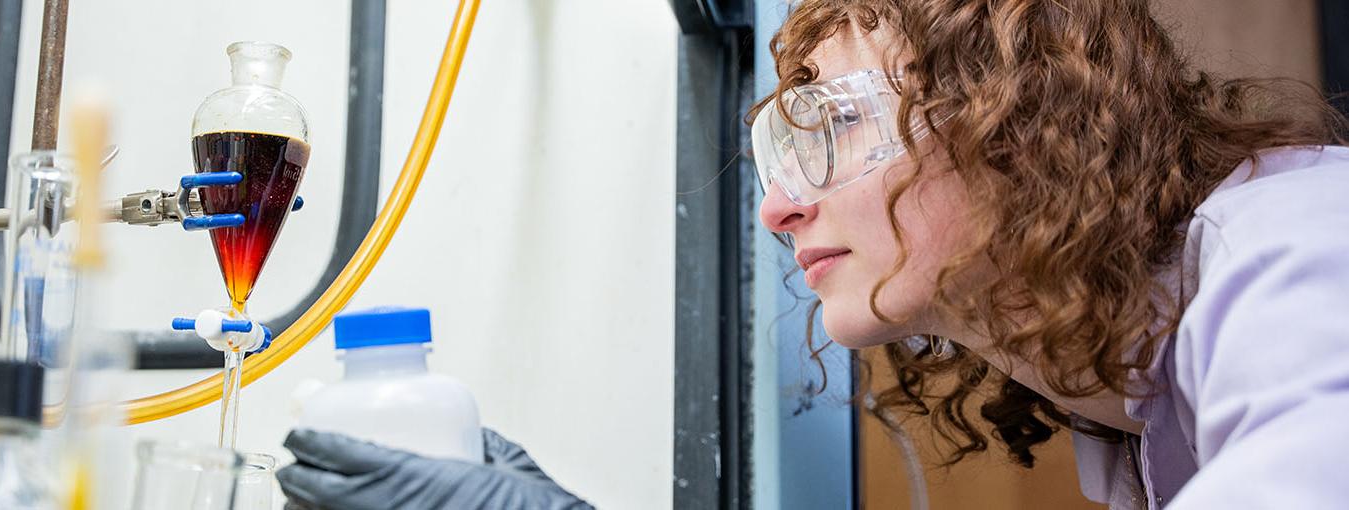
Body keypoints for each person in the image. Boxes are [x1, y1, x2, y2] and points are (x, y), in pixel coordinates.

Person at [276, 1, 1349, 508]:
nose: (779, 209)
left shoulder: (1304, 252)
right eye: (777, 153)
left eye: (829, 129)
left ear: (1013, 124)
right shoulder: (1121, 424)